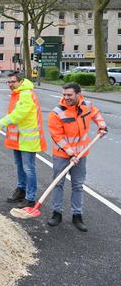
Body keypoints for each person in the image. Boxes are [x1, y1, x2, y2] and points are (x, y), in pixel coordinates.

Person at [46, 82, 107, 232]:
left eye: (69, 95)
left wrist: (102, 125)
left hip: (81, 155)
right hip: (62, 155)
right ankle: (56, 213)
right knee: (58, 184)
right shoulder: (57, 113)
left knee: (78, 185)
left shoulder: (87, 105)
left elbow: (96, 113)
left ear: (78, 95)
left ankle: (77, 215)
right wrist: (71, 153)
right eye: (64, 95)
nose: (66, 98)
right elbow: (57, 136)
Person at [0, 72, 47, 207]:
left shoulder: (26, 94)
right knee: (20, 167)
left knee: (29, 168)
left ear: (21, 81)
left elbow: (18, 115)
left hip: (28, 139)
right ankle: (21, 190)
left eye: (13, 82)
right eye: (9, 82)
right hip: (17, 138)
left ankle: (30, 197)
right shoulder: (17, 93)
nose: (10, 84)